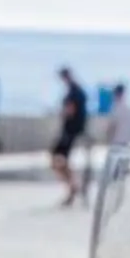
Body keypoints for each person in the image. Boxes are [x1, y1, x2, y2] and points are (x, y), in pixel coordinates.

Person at [51, 68, 90, 206]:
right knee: (60, 159)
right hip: (74, 130)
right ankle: (73, 186)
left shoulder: (73, 91)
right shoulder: (77, 90)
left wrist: (62, 113)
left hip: (70, 130)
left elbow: (70, 110)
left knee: (57, 158)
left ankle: (73, 186)